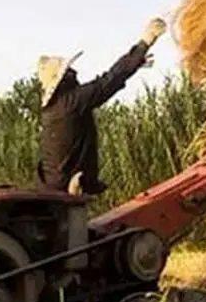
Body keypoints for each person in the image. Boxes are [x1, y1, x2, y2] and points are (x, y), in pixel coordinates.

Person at [36, 17, 167, 196]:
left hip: (51, 187)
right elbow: (109, 80)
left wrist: (135, 63)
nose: (76, 74)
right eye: (71, 72)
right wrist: (146, 42)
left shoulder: (51, 110)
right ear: (64, 78)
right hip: (67, 189)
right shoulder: (72, 102)